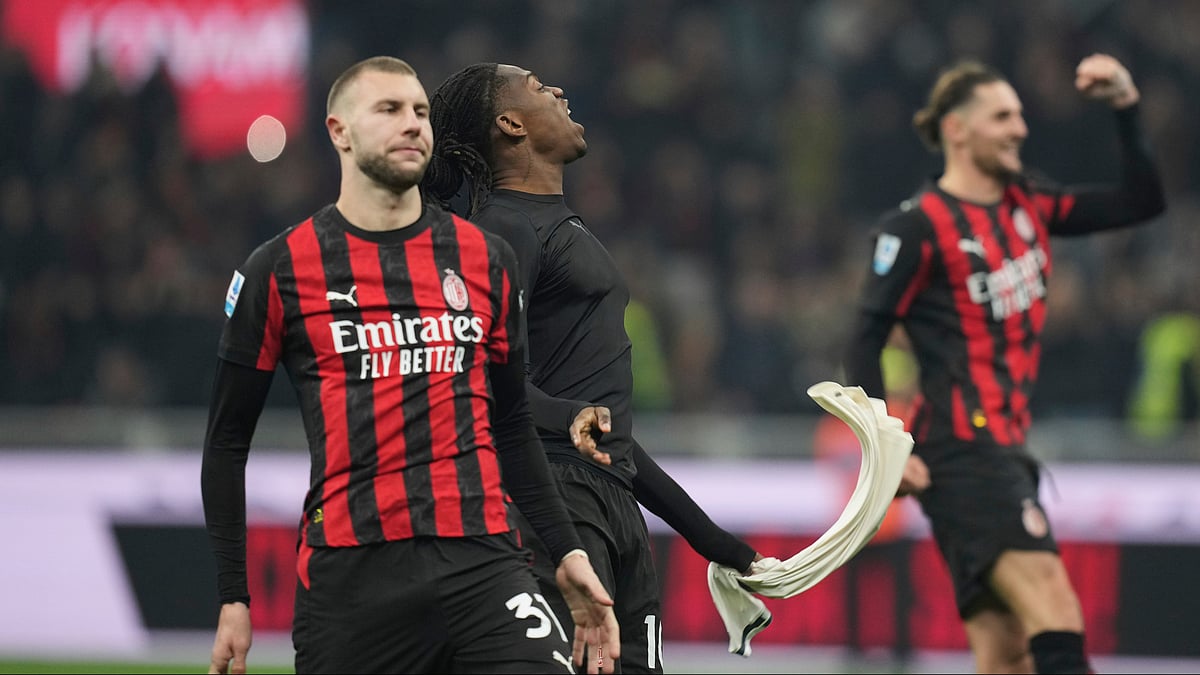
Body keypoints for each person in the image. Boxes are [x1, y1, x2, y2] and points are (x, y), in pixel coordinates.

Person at [201, 55, 620, 675]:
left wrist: (567, 554)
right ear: (339, 131)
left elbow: (509, 427)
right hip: (354, 574)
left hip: (484, 563)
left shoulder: (486, 260)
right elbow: (228, 441)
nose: (412, 124)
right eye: (389, 109)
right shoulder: (280, 270)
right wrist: (234, 596)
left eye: (421, 111)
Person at [422, 63, 765, 673]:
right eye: (535, 87)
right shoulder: (504, 227)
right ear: (510, 124)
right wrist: (568, 416)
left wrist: (711, 539)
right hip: (551, 500)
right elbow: (477, 378)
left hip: (608, 505)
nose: (556, 89)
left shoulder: (554, 225)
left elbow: (609, 438)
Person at [844, 53, 1165, 674]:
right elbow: (865, 338)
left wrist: (1127, 107)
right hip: (962, 451)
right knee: (1056, 610)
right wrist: (887, 448)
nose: (1020, 128)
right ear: (957, 130)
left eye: (1019, 114)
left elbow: (1142, 202)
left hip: (1006, 448)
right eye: (1002, 116)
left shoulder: (1030, 203)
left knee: (1006, 654)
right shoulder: (917, 229)